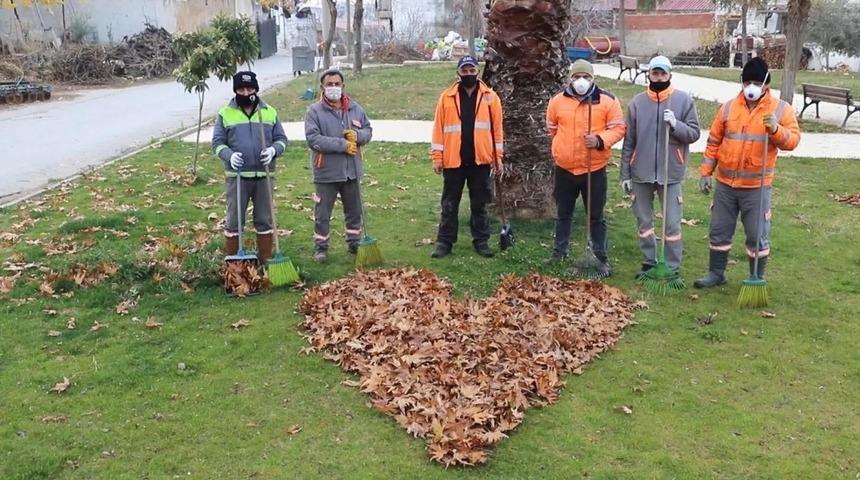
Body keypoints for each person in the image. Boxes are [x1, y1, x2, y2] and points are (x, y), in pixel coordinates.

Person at [694, 57, 801, 288]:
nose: (751, 87)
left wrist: (775, 129)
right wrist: (705, 171)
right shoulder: (729, 108)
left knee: (756, 234)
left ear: (766, 83)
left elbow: (792, 141)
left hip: (756, 187)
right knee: (719, 230)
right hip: (726, 184)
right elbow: (714, 141)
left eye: (756, 82)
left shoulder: (781, 109)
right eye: (747, 81)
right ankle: (716, 273)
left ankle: (757, 277)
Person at [620, 56, 701, 278]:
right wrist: (625, 173)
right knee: (644, 221)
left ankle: (671, 267)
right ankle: (649, 262)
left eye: (662, 73)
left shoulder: (684, 101)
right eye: (655, 73)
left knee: (672, 223)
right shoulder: (637, 103)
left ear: (670, 75)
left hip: (670, 172)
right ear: (649, 75)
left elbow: (694, 134)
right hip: (641, 173)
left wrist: (676, 125)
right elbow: (629, 141)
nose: (658, 77)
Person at [545, 59, 626, 276]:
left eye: (586, 77)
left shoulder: (607, 101)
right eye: (577, 77)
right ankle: (559, 252)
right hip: (565, 168)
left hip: (594, 169)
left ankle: (599, 256)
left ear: (593, 78)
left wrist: (600, 140)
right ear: (570, 78)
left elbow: (618, 128)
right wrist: (562, 149)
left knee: (596, 215)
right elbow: (552, 128)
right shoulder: (557, 101)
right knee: (563, 213)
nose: (581, 81)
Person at [429, 55, 504, 259]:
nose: (468, 74)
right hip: (454, 160)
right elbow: (438, 130)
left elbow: (497, 131)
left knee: (480, 204)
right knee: (449, 204)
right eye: (465, 71)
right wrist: (437, 157)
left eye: (472, 71)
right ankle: (445, 242)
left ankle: (481, 240)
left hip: (481, 160)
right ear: (458, 73)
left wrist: (498, 158)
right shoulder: (446, 98)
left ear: (478, 72)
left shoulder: (490, 98)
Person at [212, 71, 288, 264]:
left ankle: (265, 261)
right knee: (234, 220)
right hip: (237, 177)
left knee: (265, 219)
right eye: (241, 89)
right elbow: (217, 143)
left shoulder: (269, 112)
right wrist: (229, 155)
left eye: (250, 88)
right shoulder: (225, 114)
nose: (246, 93)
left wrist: (273, 150)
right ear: (235, 90)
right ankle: (235, 264)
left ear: (256, 89)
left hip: (264, 175)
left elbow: (282, 139)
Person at [305, 68, 373, 263]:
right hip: (326, 172)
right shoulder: (314, 112)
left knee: (354, 211)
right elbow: (313, 139)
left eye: (337, 84)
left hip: (351, 171)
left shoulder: (355, 109)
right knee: (323, 213)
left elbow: (368, 130)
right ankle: (321, 248)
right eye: (329, 84)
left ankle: (354, 243)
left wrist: (358, 136)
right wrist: (343, 145)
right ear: (322, 87)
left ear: (343, 86)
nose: (333, 87)